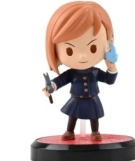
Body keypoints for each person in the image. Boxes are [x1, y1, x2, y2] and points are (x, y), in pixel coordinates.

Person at [44, 1, 118, 141]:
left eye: (93, 48)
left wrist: (111, 68)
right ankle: (69, 131)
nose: (82, 56)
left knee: (94, 116)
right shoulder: (72, 73)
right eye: (70, 50)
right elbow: (61, 80)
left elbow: (109, 80)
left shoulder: (95, 72)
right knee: (73, 115)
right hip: (76, 98)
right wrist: (51, 86)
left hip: (92, 97)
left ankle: (95, 132)